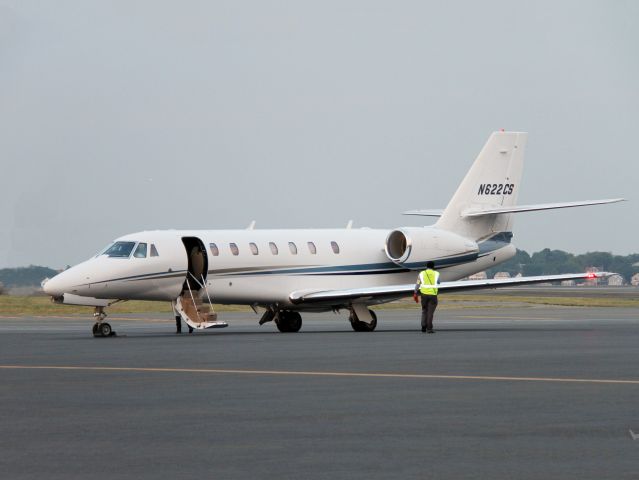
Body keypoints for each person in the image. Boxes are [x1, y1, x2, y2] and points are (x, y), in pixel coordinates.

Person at [413, 261, 440, 333]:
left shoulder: (421, 273)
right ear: (433, 266)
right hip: (433, 294)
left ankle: (423, 326)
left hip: (424, 294)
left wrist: (415, 292)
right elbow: (438, 282)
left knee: (424, 310)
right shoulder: (436, 273)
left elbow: (418, 284)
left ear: (426, 266)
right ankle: (429, 328)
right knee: (430, 312)